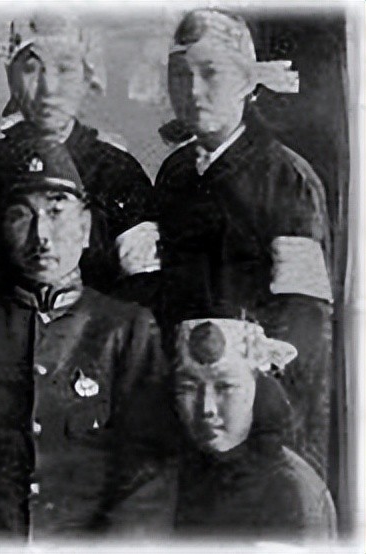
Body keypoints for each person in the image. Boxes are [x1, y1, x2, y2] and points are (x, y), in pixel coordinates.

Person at [0, 140, 176, 543]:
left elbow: (151, 474)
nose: (42, 237)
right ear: (2, 227)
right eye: (22, 215)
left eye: (57, 213)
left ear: (85, 229)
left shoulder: (126, 329)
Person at [156, 9, 333, 477]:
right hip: (187, 400)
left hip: (260, 407)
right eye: (180, 76)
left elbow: (305, 316)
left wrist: (260, 381)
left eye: (211, 73)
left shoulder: (287, 179)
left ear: (246, 82)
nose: (193, 91)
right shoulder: (175, 174)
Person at [0, 12, 159, 305]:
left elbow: (142, 286)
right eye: (31, 69)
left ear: (87, 77)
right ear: (11, 78)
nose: (49, 88)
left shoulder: (117, 172)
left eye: (65, 69)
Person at [172, 317, 337, 540]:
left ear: (257, 390)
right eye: (188, 388)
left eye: (225, 387)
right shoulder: (165, 487)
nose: (206, 408)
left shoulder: (291, 492)